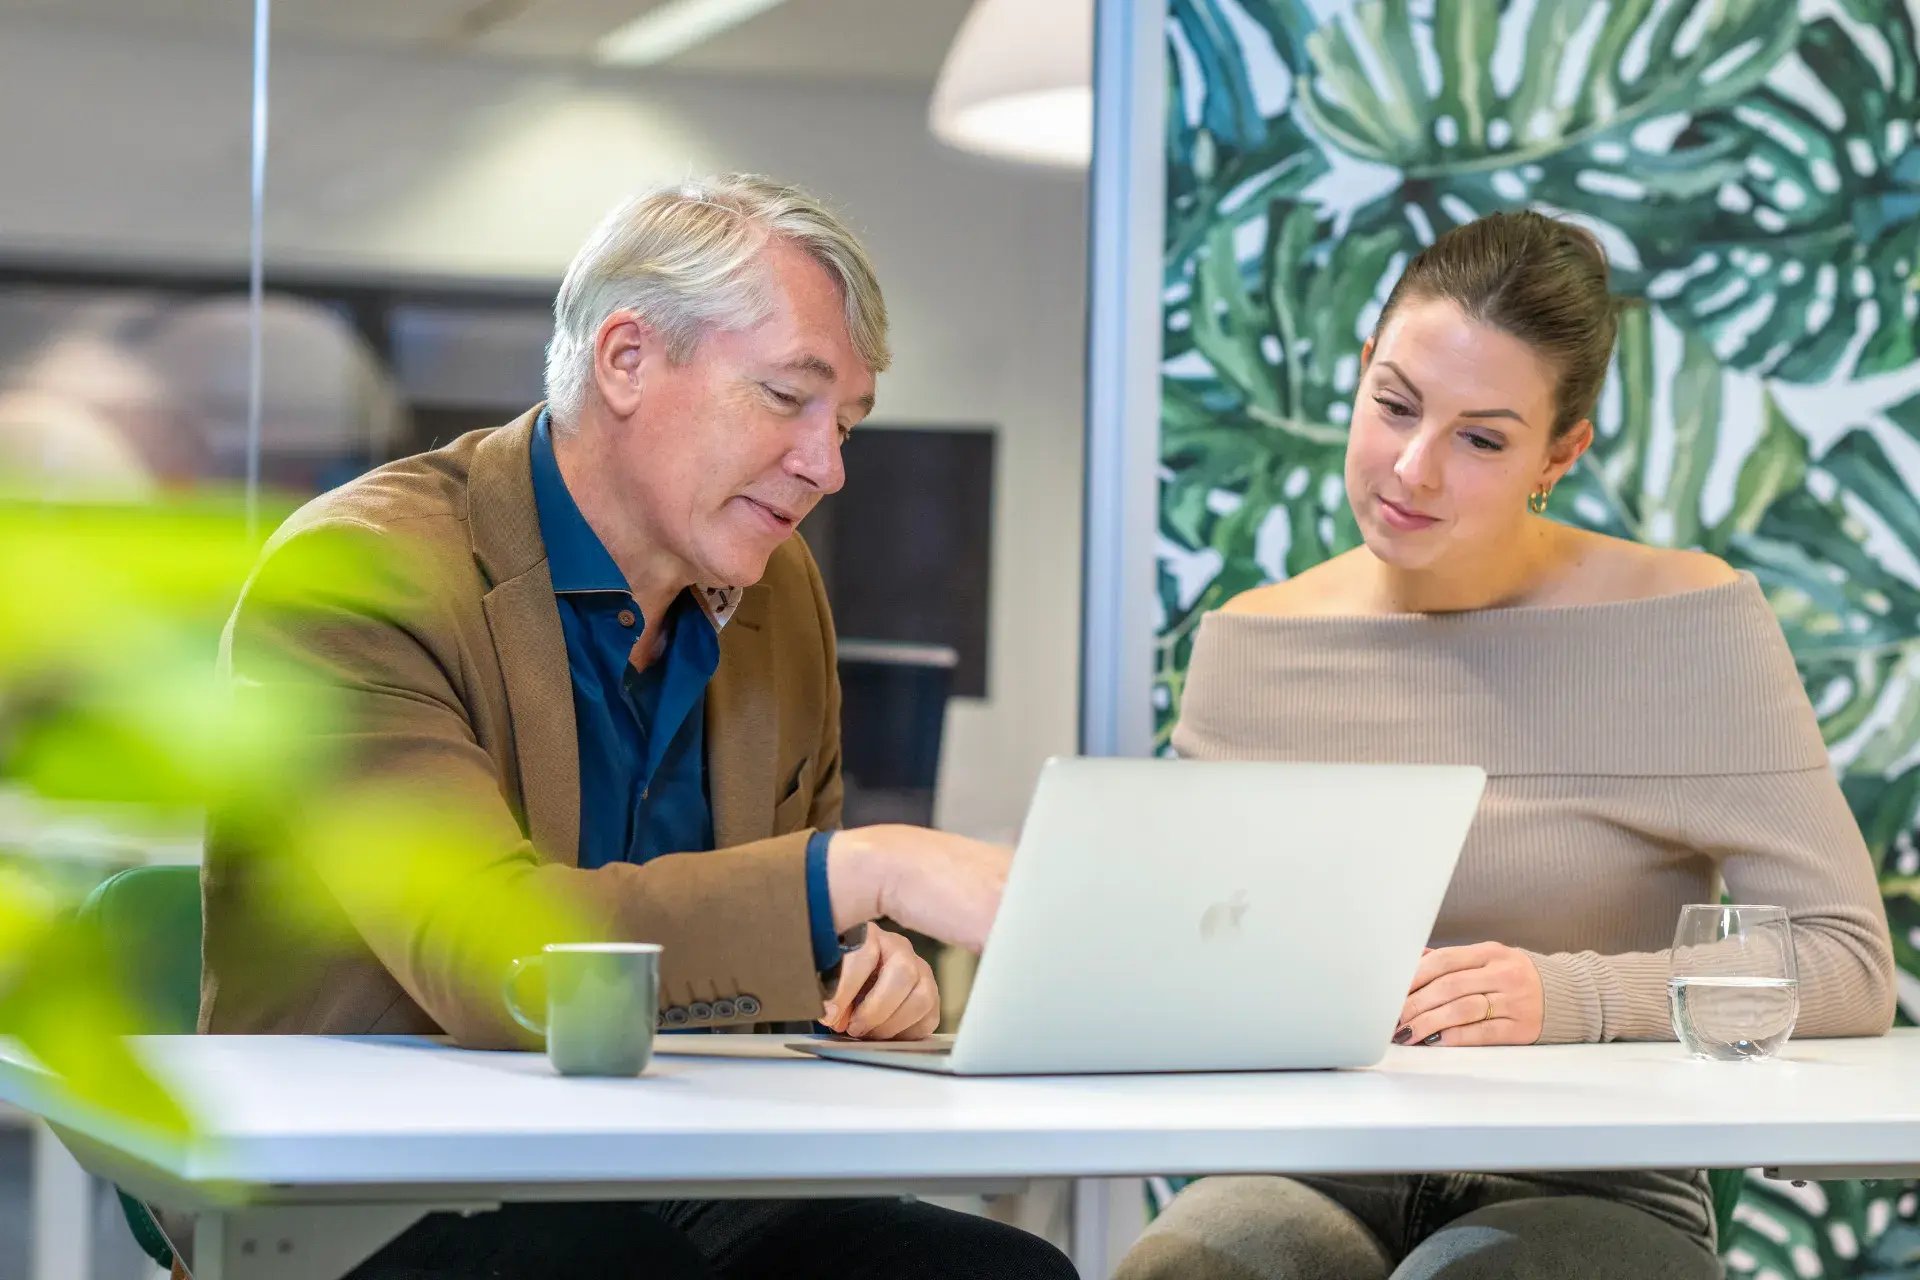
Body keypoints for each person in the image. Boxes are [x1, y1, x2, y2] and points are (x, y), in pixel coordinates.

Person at [197, 175, 1073, 1280]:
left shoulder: (778, 585)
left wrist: (865, 968)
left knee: (997, 1274)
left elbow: (798, 923)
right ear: (625, 360)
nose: (829, 465)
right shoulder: (358, 576)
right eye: (787, 398)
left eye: (844, 423)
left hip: (680, 1158)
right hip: (378, 1182)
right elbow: (501, 956)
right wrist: (860, 871)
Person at [1116, 211, 1896, 1280]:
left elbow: (1845, 961)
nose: (1413, 469)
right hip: (1312, 1158)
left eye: (1481, 437)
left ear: (1559, 452)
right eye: (1393, 405)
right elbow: (1189, 959)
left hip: (1596, 1174)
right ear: (1361, 373)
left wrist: (1565, 995)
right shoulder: (1254, 644)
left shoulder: (1690, 626)